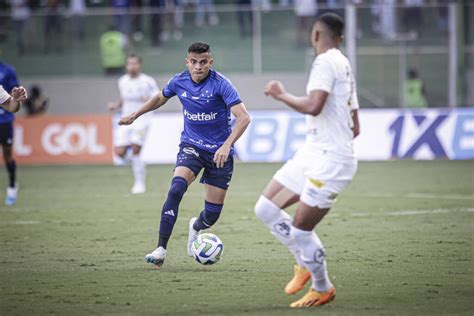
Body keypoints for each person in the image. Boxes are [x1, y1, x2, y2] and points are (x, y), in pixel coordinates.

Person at [254, 13, 360, 308]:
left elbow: (314, 105)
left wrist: (280, 94)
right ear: (340, 36)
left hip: (330, 161)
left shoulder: (325, 62)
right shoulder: (344, 64)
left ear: (315, 35)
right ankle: (302, 262)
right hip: (314, 153)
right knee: (265, 208)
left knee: (301, 230)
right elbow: (357, 126)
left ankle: (322, 287)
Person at [119, 42, 251, 267]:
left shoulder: (221, 84)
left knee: (212, 215)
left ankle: (196, 227)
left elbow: (244, 117)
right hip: (191, 146)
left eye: (203, 62)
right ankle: (161, 249)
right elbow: (160, 97)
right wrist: (136, 114)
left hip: (219, 153)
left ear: (210, 62)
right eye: (194, 62)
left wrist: (227, 145)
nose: (198, 66)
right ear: (187, 62)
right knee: (176, 187)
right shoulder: (178, 81)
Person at [108, 54, 159, 194]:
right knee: (119, 152)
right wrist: (115, 105)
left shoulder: (147, 81)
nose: (132, 66)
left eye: (134, 63)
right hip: (126, 118)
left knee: (136, 150)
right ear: (126, 65)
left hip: (142, 119)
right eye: (129, 63)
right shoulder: (122, 81)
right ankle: (140, 166)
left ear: (139, 65)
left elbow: (158, 97)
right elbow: (123, 98)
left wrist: (147, 98)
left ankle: (139, 184)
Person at [0, 64, 28, 206]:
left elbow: (11, 106)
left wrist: (16, 99)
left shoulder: (8, 71)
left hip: (4, 121)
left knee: (7, 155)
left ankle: (11, 188)